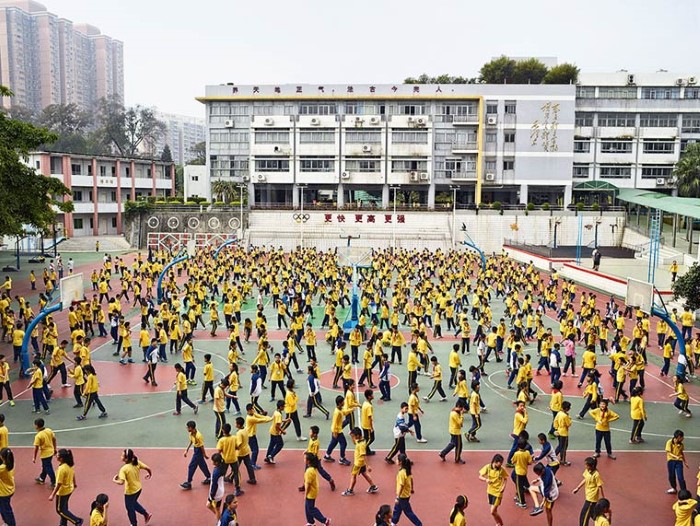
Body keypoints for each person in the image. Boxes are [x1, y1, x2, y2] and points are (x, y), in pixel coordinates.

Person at [112, 448, 152, 526]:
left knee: (130, 508)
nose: (121, 456)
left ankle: (133, 524)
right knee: (133, 503)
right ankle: (146, 514)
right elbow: (148, 468)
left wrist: (114, 480)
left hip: (130, 492)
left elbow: (121, 482)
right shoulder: (136, 462)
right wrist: (149, 474)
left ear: (126, 459)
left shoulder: (123, 469)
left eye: (122, 455)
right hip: (138, 489)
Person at [49, 448, 83, 526]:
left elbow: (59, 484)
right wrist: (74, 483)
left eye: (57, 455)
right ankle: (63, 524)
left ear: (61, 458)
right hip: (69, 489)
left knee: (60, 510)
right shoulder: (69, 464)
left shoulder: (61, 469)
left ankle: (77, 520)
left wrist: (52, 495)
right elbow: (73, 474)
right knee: (64, 508)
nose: (56, 456)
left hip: (62, 492)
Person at [341, 427, 378, 496]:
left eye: (354, 436)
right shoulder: (361, 440)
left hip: (358, 463)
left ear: (358, 435)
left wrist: (368, 466)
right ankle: (373, 486)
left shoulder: (361, 445)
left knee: (353, 476)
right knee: (365, 474)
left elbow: (364, 455)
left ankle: (350, 490)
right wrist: (351, 436)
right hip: (361, 463)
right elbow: (355, 442)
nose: (353, 437)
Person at [391, 454, 422, 526]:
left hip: (402, 496)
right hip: (406, 494)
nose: (396, 461)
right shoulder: (407, 470)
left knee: (408, 512)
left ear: (400, 462)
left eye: (397, 460)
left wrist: (397, 497)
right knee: (397, 509)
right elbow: (411, 479)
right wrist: (412, 488)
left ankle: (418, 524)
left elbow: (401, 485)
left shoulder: (401, 473)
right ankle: (393, 522)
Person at [573, 456, 604, 526]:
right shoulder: (587, 471)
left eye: (586, 465)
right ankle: (604, 521)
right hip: (588, 495)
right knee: (592, 513)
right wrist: (577, 488)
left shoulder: (596, 475)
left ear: (592, 466)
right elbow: (585, 479)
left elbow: (600, 487)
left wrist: (602, 499)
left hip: (591, 499)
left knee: (584, 516)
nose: (585, 466)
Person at [478, 453, 508, 526]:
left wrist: (503, 486)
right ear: (494, 462)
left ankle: (501, 524)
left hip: (498, 492)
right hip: (490, 491)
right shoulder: (487, 467)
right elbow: (480, 476)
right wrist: (486, 480)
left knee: (492, 511)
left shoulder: (502, 469)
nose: (500, 465)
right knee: (495, 511)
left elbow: (505, 478)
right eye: (499, 463)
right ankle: (498, 523)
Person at [181, 420, 211, 490]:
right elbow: (191, 441)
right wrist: (186, 450)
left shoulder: (199, 436)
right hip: (196, 449)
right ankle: (209, 477)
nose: (187, 429)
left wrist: (204, 454)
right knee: (202, 465)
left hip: (198, 451)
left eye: (188, 428)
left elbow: (201, 446)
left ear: (191, 428)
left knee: (191, 466)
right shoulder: (191, 433)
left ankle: (188, 482)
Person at [303, 452, 331, 526]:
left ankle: (325, 520)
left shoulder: (309, 471)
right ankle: (310, 522)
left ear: (308, 461)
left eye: (305, 458)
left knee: (311, 508)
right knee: (307, 507)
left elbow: (308, 484)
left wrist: (305, 494)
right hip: (313, 490)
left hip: (310, 493)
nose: (304, 460)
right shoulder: (312, 468)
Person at [32, 418, 56, 486]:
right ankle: (42, 478)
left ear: (36, 426)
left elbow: (36, 447)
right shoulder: (49, 430)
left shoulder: (38, 436)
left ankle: (54, 481)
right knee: (45, 466)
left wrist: (34, 457)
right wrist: (55, 448)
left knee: (48, 467)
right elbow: (54, 439)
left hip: (45, 454)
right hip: (51, 451)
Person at [666, 429, 689, 494]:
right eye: (682, 437)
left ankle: (684, 491)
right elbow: (668, 452)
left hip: (679, 462)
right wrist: (676, 457)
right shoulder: (669, 442)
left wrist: (685, 462)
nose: (683, 438)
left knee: (680, 477)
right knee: (671, 476)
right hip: (671, 461)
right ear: (678, 437)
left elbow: (681, 453)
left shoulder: (681, 445)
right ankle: (674, 488)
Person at [0, 448, 15, 526]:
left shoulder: (2, 468)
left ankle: (11, 524)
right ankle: (7, 522)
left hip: (3, 492)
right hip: (9, 489)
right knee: (3, 509)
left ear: (2, 457)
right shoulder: (11, 464)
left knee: (6, 510)